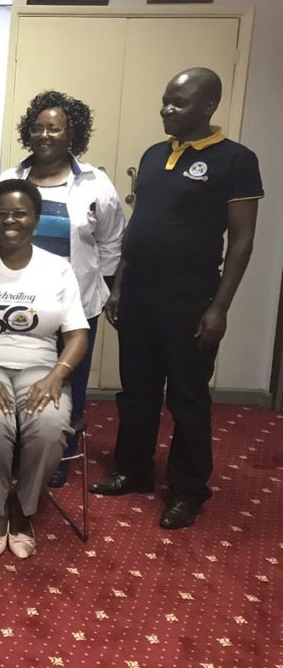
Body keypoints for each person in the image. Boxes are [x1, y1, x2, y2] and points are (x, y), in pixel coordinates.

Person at [90, 68, 263, 530]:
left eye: (179, 102)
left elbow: (242, 241)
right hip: (140, 292)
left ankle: (188, 490)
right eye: (166, 100)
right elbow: (138, 229)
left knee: (188, 398)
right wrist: (120, 286)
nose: (167, 109)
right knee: (137, 390)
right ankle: (135, 470)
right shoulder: (152, 155)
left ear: (208, 106)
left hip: (191, 297)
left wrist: (219, 307)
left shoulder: (235, 160)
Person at [0, 91, 126, 487]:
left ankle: (58, 457)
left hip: (74, 305)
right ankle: (14, 449)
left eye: (55, 128)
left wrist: (109, 290)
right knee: (17, 375)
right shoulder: (12, 178)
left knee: (67, 383)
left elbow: (112, 242)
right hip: (15, 302)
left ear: (71, 134)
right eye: (38, 127)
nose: (45, 135)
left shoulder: (94, 182)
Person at [0, 179, 89, 559]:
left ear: (36, 221)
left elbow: (77, 335)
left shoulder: (57, 269)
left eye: (20, 214)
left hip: (40, 366)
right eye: (2, 214)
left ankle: (22, 509)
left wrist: (57, 375)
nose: (10, 221)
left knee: (52, 424)